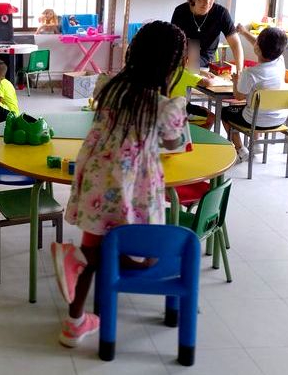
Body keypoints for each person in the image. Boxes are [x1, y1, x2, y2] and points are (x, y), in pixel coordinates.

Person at [50, 21, 188, 348]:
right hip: (131, 191)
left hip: (96, 181)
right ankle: (80, 261)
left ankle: (74, 322)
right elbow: (173, 143)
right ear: (171, 64)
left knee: (92, 247)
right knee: (148, 258)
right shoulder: (164, 106)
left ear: (134, 52)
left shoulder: (106, 87)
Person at [222, 25, 288, 162]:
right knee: (257, 104)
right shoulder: (279, 61)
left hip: (255, 121)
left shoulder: (251, 73)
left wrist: (235, 81)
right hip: (279, 118)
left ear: (258, 48)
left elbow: (239, 96)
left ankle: (240, 149)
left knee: (224, 111)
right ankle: (256, 143)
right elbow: (264, 46)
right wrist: (245, 33)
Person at [171, 0, 244, 72]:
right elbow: (173, 42)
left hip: (206, 57)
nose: (207, 3)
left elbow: (235, 44)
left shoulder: (221, 13)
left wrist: (240, 71)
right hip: (184, 55)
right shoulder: (180, 11)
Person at [170, 40, 217, 129]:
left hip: (165, 108)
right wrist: (214, 79)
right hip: (180, 111)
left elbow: (189, 69)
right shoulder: (184, 74)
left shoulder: (167, 70)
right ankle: (198, 140)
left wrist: (201, 72)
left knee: (201, 110)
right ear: (186, 59)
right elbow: (207, 82)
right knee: (211, 116)